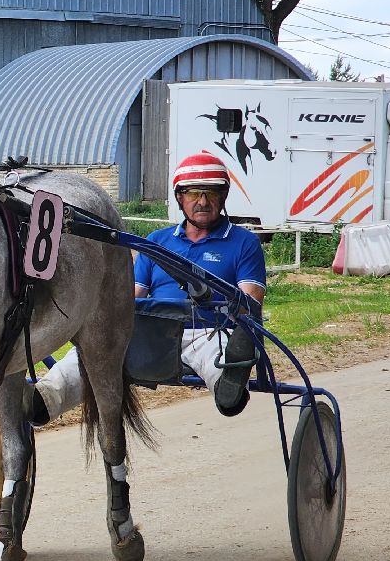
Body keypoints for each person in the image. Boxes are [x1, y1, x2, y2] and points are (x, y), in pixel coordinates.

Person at [30, 151, 265, 424]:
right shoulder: (157, 240)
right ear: (180, 197)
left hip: (208, 330)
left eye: (211, 193)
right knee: (94, 348)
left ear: (223, 196)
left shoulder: (244, 242)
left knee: (217, 355)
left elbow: (250, 302)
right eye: (193, 193)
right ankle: (44, 398)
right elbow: (130, 297)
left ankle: (229, 385)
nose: (202, 202)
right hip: (154, 330)